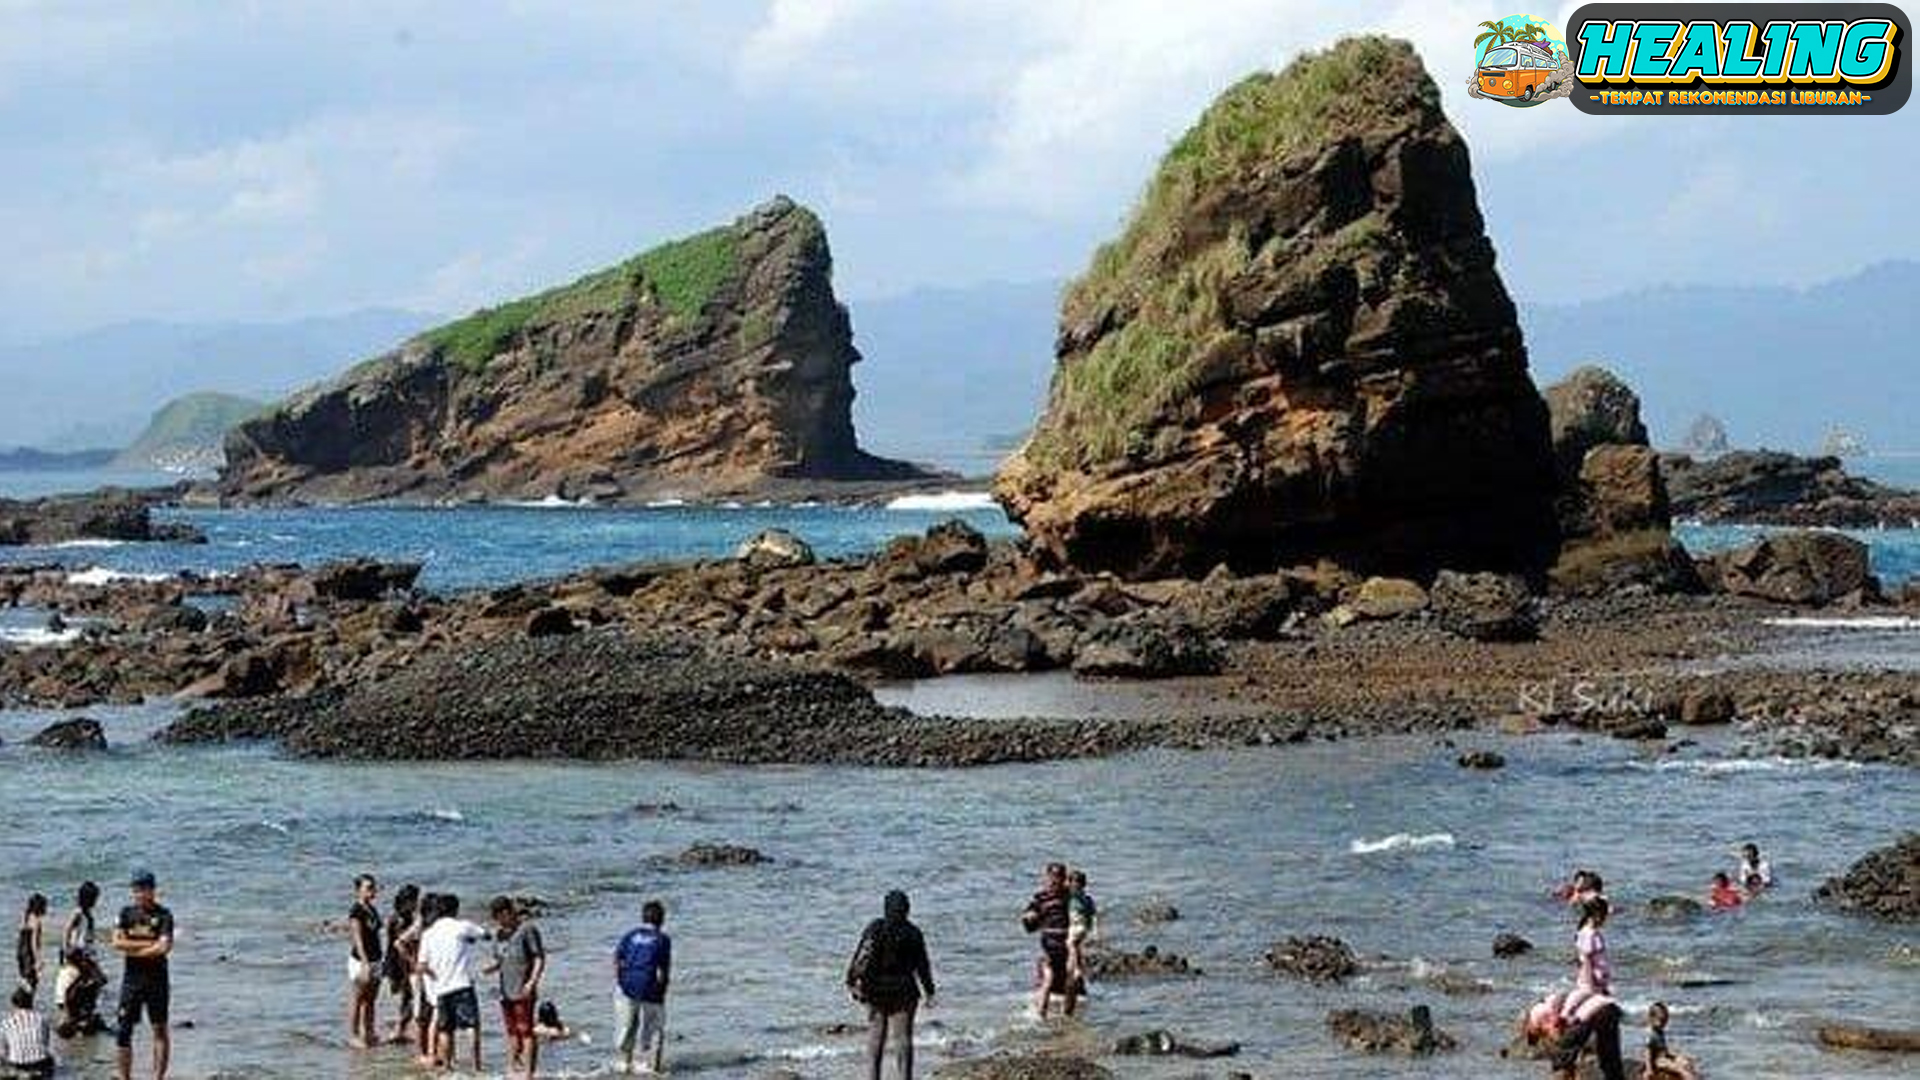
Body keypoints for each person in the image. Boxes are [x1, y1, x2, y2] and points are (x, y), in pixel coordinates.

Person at [846, 890, 936, 1080]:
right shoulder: (913, 932)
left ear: (885, 908)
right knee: (903, 1040)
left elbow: (862, 957)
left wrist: (851, 980)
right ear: (907, 910)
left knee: (875, 1040)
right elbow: (922, 965)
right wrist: (929, 991)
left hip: (875, 991)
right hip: (904, 992)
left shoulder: (876, 928)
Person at [110, 870, 173, 1080]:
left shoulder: (164, 915)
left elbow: (164, 948)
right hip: (132, 980)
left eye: (143, 889)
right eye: (135, 889)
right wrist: (149, 945)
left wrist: (133, 950)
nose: (138, 894)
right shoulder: (126, 913)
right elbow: (117, 942)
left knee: (159, 1030)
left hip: (157, 980)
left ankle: (158, 1077)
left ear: (152, 890)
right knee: (123, 1031)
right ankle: (124, 1077)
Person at [417, 893, 487, 1072]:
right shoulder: (461, 927)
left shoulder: (428, 933)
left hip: (441, 988)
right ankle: (477, 1067)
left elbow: (421, 966)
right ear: (455, 910)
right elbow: (485, 935)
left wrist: (436, 976)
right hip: (462, 984)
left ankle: (448, 1067)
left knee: (446, 1030)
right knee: (472, 1026)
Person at [488, 897, 546, 1079]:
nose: (498, 922)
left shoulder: (527, 929)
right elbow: (501, 959)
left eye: (499, 917)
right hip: (505, 991)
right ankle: (512, 1069)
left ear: (508, 912)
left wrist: (532, 982)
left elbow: (539, 958)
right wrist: (492, 967)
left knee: (526, 1031)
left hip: (523, 989)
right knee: (512, 1032)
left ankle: (529, 1073)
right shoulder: (499, 934)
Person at [613, 900, 671, 1076]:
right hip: (648, 986)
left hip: (626, 985)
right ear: (661, 920)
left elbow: (617, 958)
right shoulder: (663, 939)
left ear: (643, 917)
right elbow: (664, 969)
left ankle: (625, 1062)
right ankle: (653, 1067)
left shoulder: (629, 935)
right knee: (655, 1027)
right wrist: (663, 991)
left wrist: (619, 982)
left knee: (627, 1026)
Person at [1020, 863, 1075, 1018]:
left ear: (1064, 879)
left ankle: (1068, 1018)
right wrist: (1029, 917)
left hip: (1068, 945)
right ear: (1047, 878)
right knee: (1048, 980)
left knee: (1072, 982)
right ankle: (1039, 1017)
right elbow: (1029, 925)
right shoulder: (1040, 899)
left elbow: (1084, 911)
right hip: (1050, 945)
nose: (1054, 882)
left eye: (1058, 878)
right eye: (1052, 878)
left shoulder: (1071, 897)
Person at [345, 874, 382, 1049]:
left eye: (373, 887)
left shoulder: (372, 909)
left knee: (371, 999)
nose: (372, 890)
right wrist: (365, 963)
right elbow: (357, 939)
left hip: (376, 959)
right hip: (361, 961)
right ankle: (353, 1035)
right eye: (368, 887)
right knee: (358, 998)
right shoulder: (356, 911)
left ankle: (369, 1032)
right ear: (358, 890)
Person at [1561, 897, 1612, 1021]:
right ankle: (1566, 1016)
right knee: (1585, 997)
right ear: (1596, 914)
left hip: (1595, 977)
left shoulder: (1590, 932)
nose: (1605, 919)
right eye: (1604, 916)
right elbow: (1586, 958)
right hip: (1591, 977)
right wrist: (1593, 978)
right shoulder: (1590, 934)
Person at [383, 884, 421, 1045]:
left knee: (408, 996)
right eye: (415, 900)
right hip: (401, 962)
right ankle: (400, 1028)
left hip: (399, 960)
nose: (417, 904)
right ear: (408, 901)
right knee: (410, 996)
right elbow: (399, 944)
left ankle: (400, 1028)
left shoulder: (401, 917)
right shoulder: (400, 919)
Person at [53, 947, 107, 1038]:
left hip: (65, 1006)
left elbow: (103, 981)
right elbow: (102, 980)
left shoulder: (65, 970)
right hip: (70, 1007)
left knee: (91, 985)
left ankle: (80, 1019)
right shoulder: (74, 972)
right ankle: (81, 1020)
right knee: (92, 985)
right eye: (82, 957)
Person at [1, 987, 54, 1079]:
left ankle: (19, 1074)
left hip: (18, 1065)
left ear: (14, 1005)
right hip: (40, 1063)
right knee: (51, 1058)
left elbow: (2, 1052)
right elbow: (45, 1043)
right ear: (31, 1003)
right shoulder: (41, 1019)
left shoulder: (6, 1023)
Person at [1644, 1001, 1700, 1080]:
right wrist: (1648, 1069)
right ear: (1652, 1019)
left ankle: (1695, 1076)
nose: (1664, 1024)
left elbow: (1664, 1050)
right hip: (1658, 1060)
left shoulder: (1660, 1032)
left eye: (1665, 1021)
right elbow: (1647, 1052)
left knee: (1687, 1062)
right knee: (1680, 1069)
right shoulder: (1651, 1034)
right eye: (1661, 1020)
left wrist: (1677, 1056)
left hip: (1665, 1057)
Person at [1065, 870, 1097, 992]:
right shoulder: (1087, 898)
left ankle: (1076, 968)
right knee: (1077, 947)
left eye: (1071, 882)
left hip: (1076, 926)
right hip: (1084, 927)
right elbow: (1094, 915)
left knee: (1070, 944)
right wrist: (1095, 931)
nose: (1070, 885)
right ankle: (1078, 969)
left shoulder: (1073, 895)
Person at [14, 897, 45, 997]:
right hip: (29, 954)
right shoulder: (36, 921)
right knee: (32, 982)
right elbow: (34, 943)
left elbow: (20, 938)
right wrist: (38, 960)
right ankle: (27, 1007)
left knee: (24, 979)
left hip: (20, 952)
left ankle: (19, 1006)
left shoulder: (25, 918)